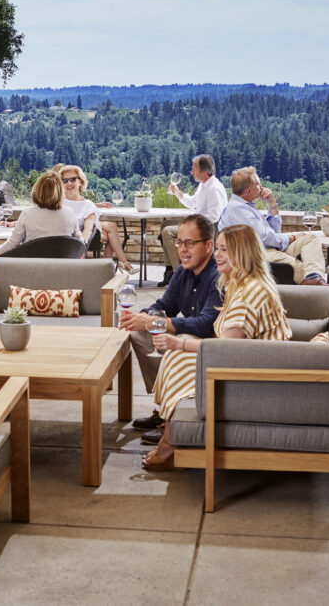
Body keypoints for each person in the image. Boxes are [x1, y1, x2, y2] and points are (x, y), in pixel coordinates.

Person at [141, 224, 292, 471]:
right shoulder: (240, 284)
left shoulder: (249, 293)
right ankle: (170, 427)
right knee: (178, 353)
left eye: (225, 250)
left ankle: (169, 442)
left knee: (179, 354)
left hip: (259, 377)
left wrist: (180, 342)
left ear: (243, 254)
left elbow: (225, 351)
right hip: (252, 361)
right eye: (218, 248)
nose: (218, 255)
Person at [119, 214, 221, 444]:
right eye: (179, 242)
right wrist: (142, 317)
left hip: (208, 345)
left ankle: (174, 417)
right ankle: (165, 407)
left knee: (178, 336)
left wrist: (160, 323)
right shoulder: (182, 273)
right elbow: (164, 306)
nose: (182, 249)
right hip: (188, 339)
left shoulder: (219, 277)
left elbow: (207, 325)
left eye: (189, 243)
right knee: (138, 332)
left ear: (208, 245)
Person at [218, 166, 327, 285]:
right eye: (258, 184)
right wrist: (292, 238)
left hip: (271, 247)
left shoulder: (246, 206)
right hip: (259, 253)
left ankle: (314, 278)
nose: (262, 187)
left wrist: (272, 203)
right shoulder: (236, 210)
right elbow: (263, 238)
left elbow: (274, 232)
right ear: (248, 190)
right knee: (303, 269)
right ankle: (317, 287)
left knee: (311, 239)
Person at [0, 170, 82, 267]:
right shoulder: (70, 214)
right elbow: (79, 244)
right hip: (63, 272)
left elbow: (12, 243)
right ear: (60, 192)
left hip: (31, 272)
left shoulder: (28, 214)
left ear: (38, 190)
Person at [59, 164, 137, 274]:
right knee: (111, 229)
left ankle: (110, 269)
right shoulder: (58, 202)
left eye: (72, 179)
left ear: (80, 182)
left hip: (83, 237)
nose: (69, 183)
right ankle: (113, 267)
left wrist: (81, 244)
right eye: (65, 181)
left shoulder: (87, 204)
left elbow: (88, 229)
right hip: (64, 237)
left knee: (110, 228)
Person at [161, 154, 227, 280]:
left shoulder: (214, 188)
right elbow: (192, 203)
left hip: (208, 229)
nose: (191, 172)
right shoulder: (204, 184)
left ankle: (179, 275)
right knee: (165, 224)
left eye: (194, 169)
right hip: (201, 224)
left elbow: (213, 216)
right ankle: (169, 269)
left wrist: (192, 225)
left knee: (167, 231)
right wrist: (177, 192)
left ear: (204, 172)